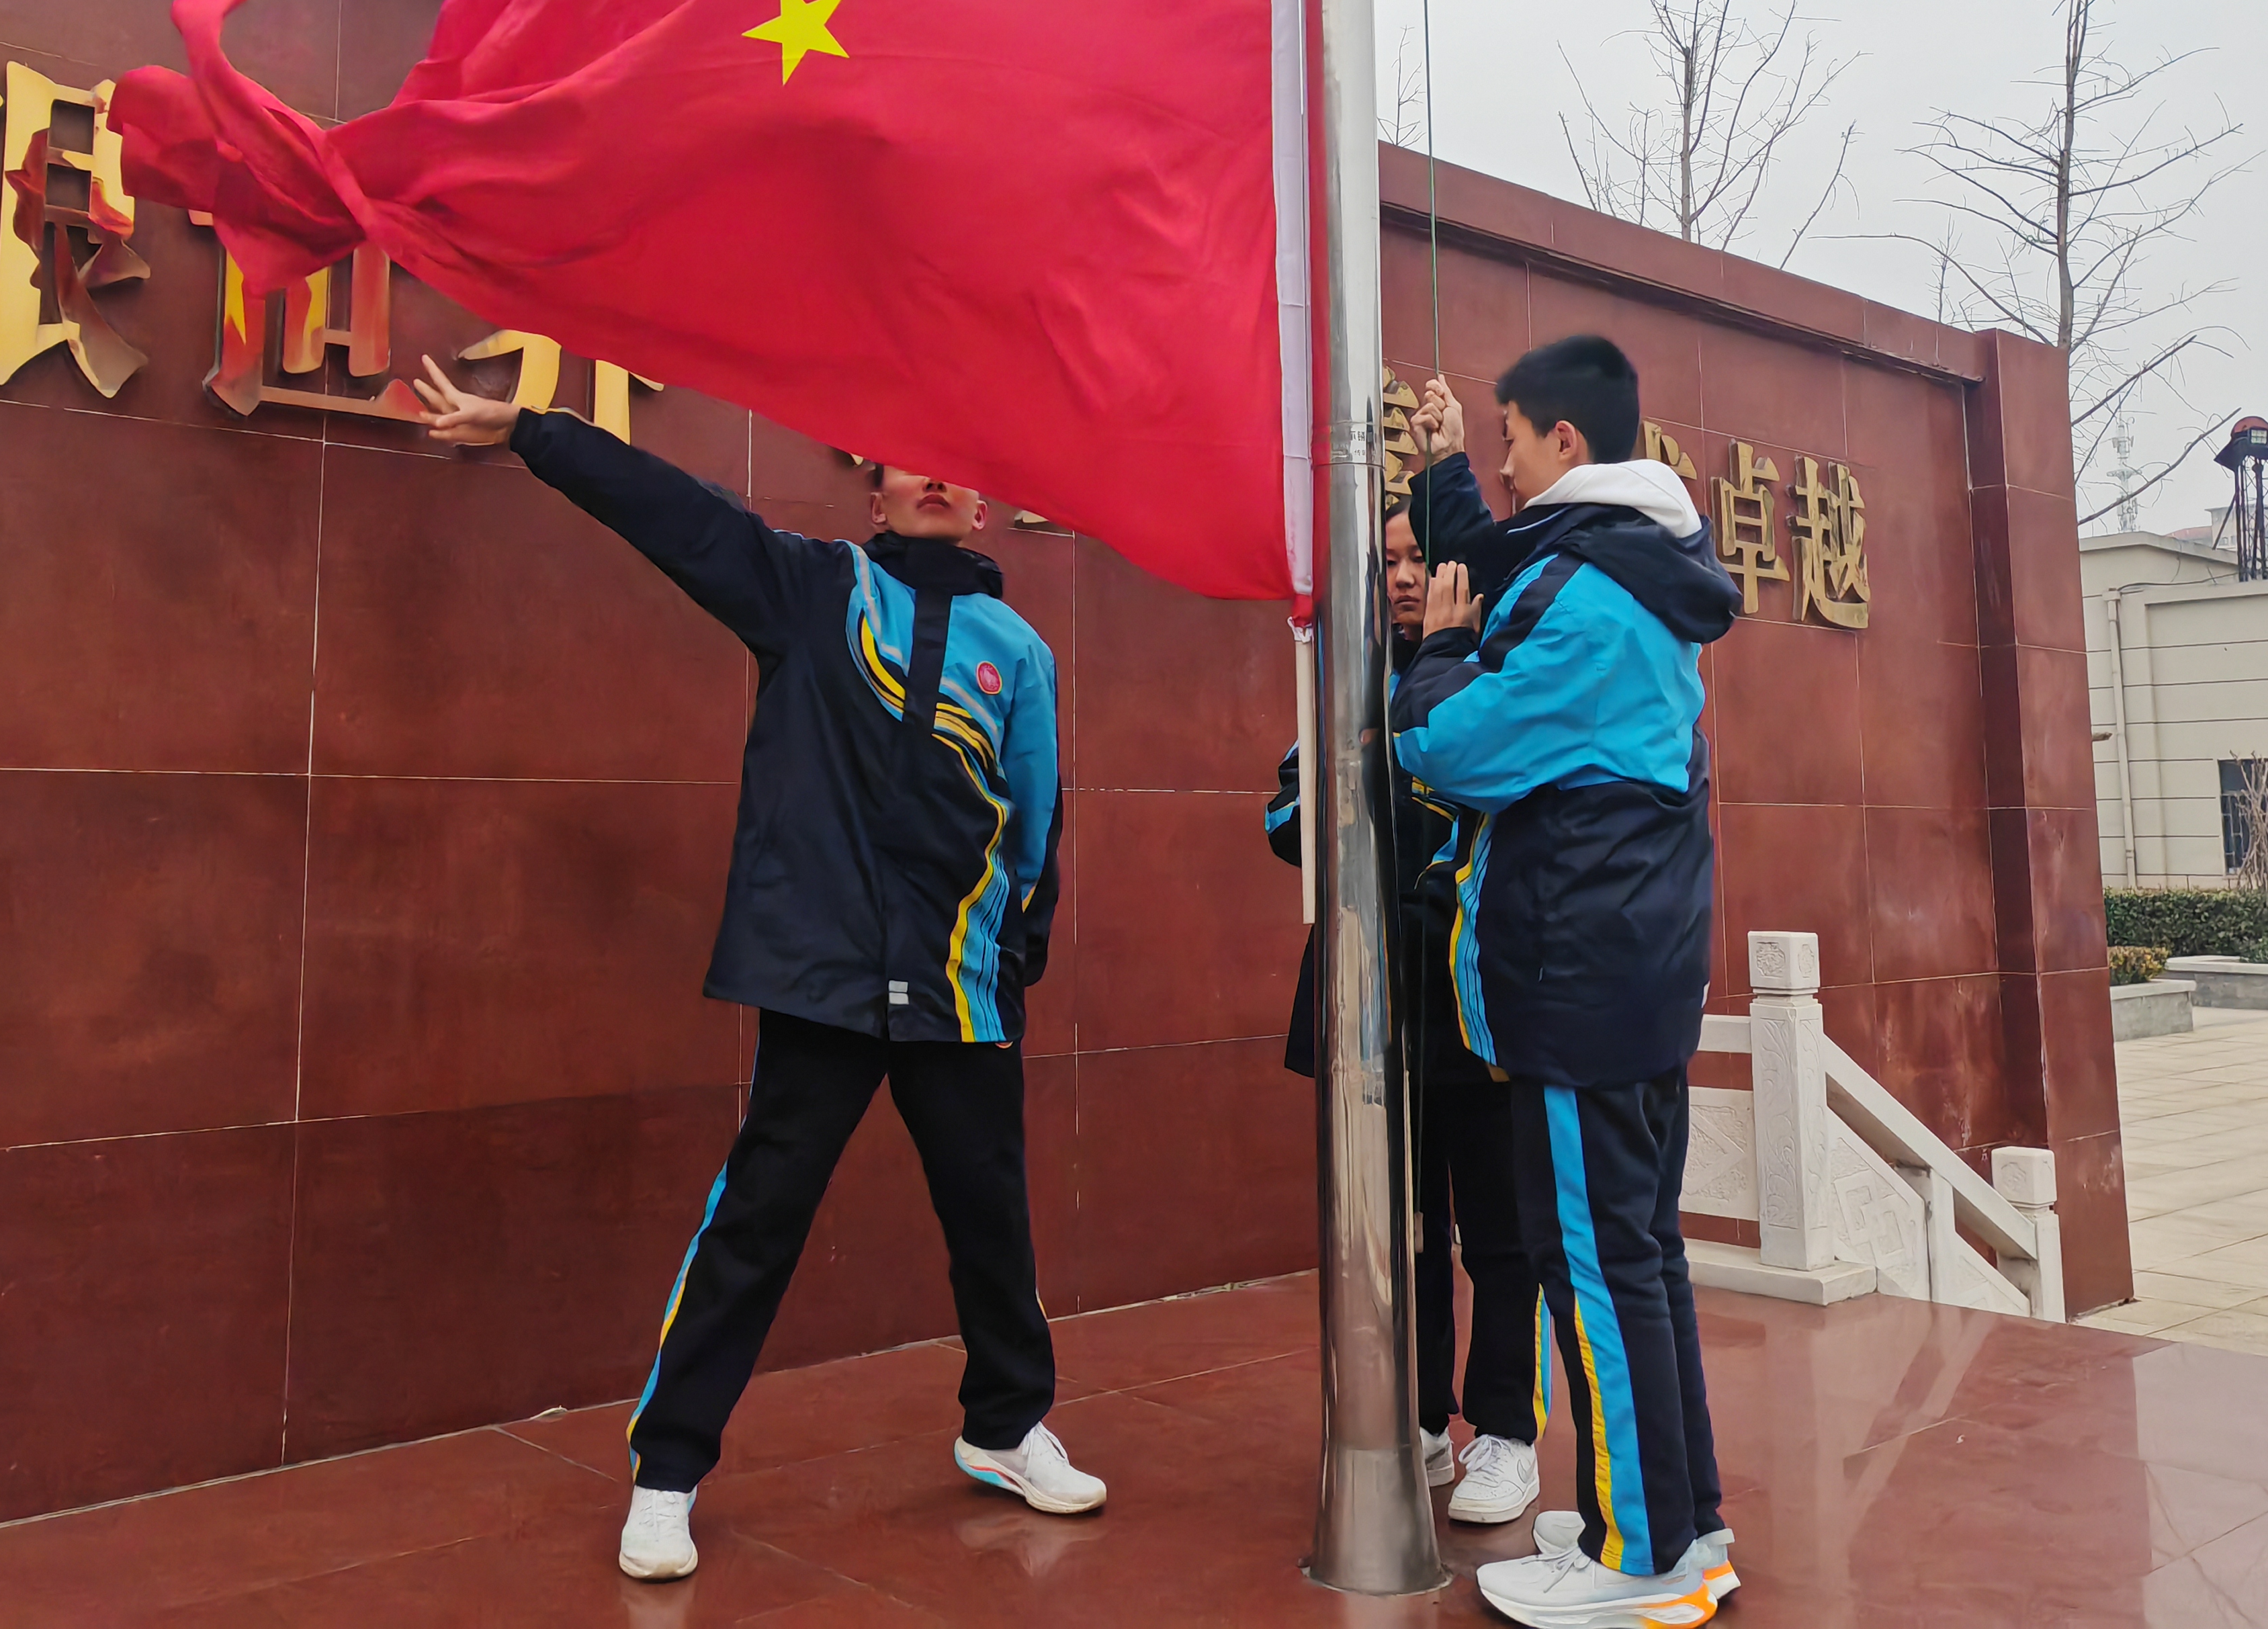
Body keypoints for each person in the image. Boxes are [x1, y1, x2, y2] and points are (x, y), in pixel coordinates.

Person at [411, 357, 1101, 1584]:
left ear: (984, 503)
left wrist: (1011, 969)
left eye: (959, 466)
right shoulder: (811, 591)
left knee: (992, 1222)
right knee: (756, 1228)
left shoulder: (1022, 655)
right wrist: (532, 432)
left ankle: (1004, 1428)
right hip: (823, 983)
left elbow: (1038, 825)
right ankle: (668, 1470)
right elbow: (679, 516)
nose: (937, 477)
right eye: (912, 459)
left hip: (959, 991)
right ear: (874, 490)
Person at [1394, 339, 1740, 1629]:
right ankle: (1678, 1523)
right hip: (1628, 978)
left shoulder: (1588, 596)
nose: (1500, 466)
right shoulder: (1632, 567)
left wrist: (1436, 656)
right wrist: (1440, 471)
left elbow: (1450, 742)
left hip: (1579, 982)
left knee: (1594, 1264)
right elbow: (1504, 565)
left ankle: (1637, 1556)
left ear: (1565, 445)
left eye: (1506, 443)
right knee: (1639, 1257)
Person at [1264, 506, 1542, 1526]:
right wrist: (1359, 768)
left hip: (1477, 998)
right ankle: (1419, 1417)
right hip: (1376, 1001)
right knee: (1405, 1231)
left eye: (1421, 557)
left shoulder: (1501, 673)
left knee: (1502, 1233)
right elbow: (1285, 820)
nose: (1403, 577)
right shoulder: (1348, 682)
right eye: (1387, 562)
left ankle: (1506, 1433)